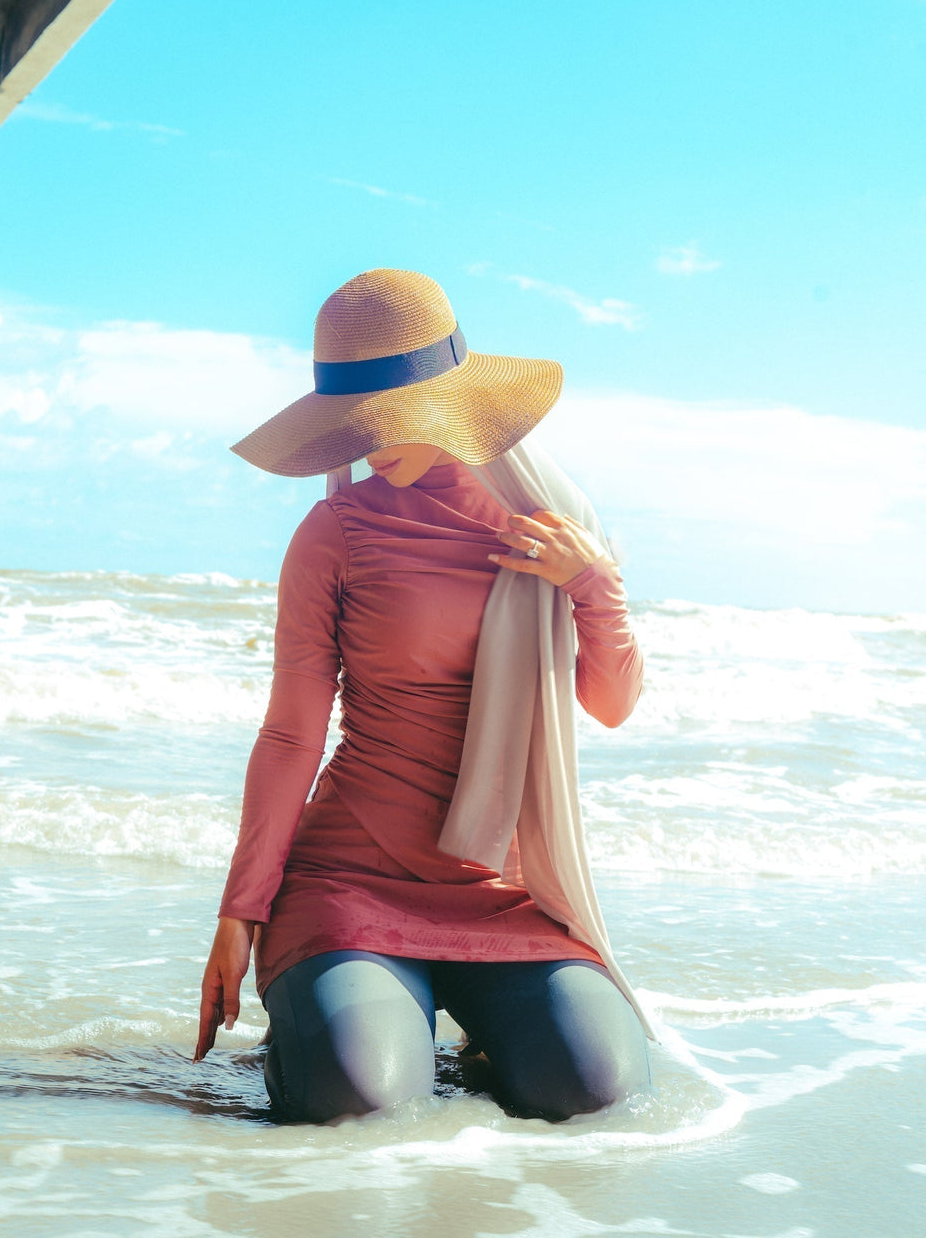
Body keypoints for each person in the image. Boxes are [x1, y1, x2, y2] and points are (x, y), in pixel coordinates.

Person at [193, 269, 652, 1122]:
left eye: (384, 417)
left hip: (506, 896)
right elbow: (293, 735)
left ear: (450, 399)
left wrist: (594, 585)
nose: (366, 443)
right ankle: (344, 1026)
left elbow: (612, 703)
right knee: (359, 1107)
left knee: (597, 1096)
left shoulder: (553, 527)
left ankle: (473, 1040)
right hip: (350, 885)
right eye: (350, 424)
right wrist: (240, 911)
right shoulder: (335, 532)